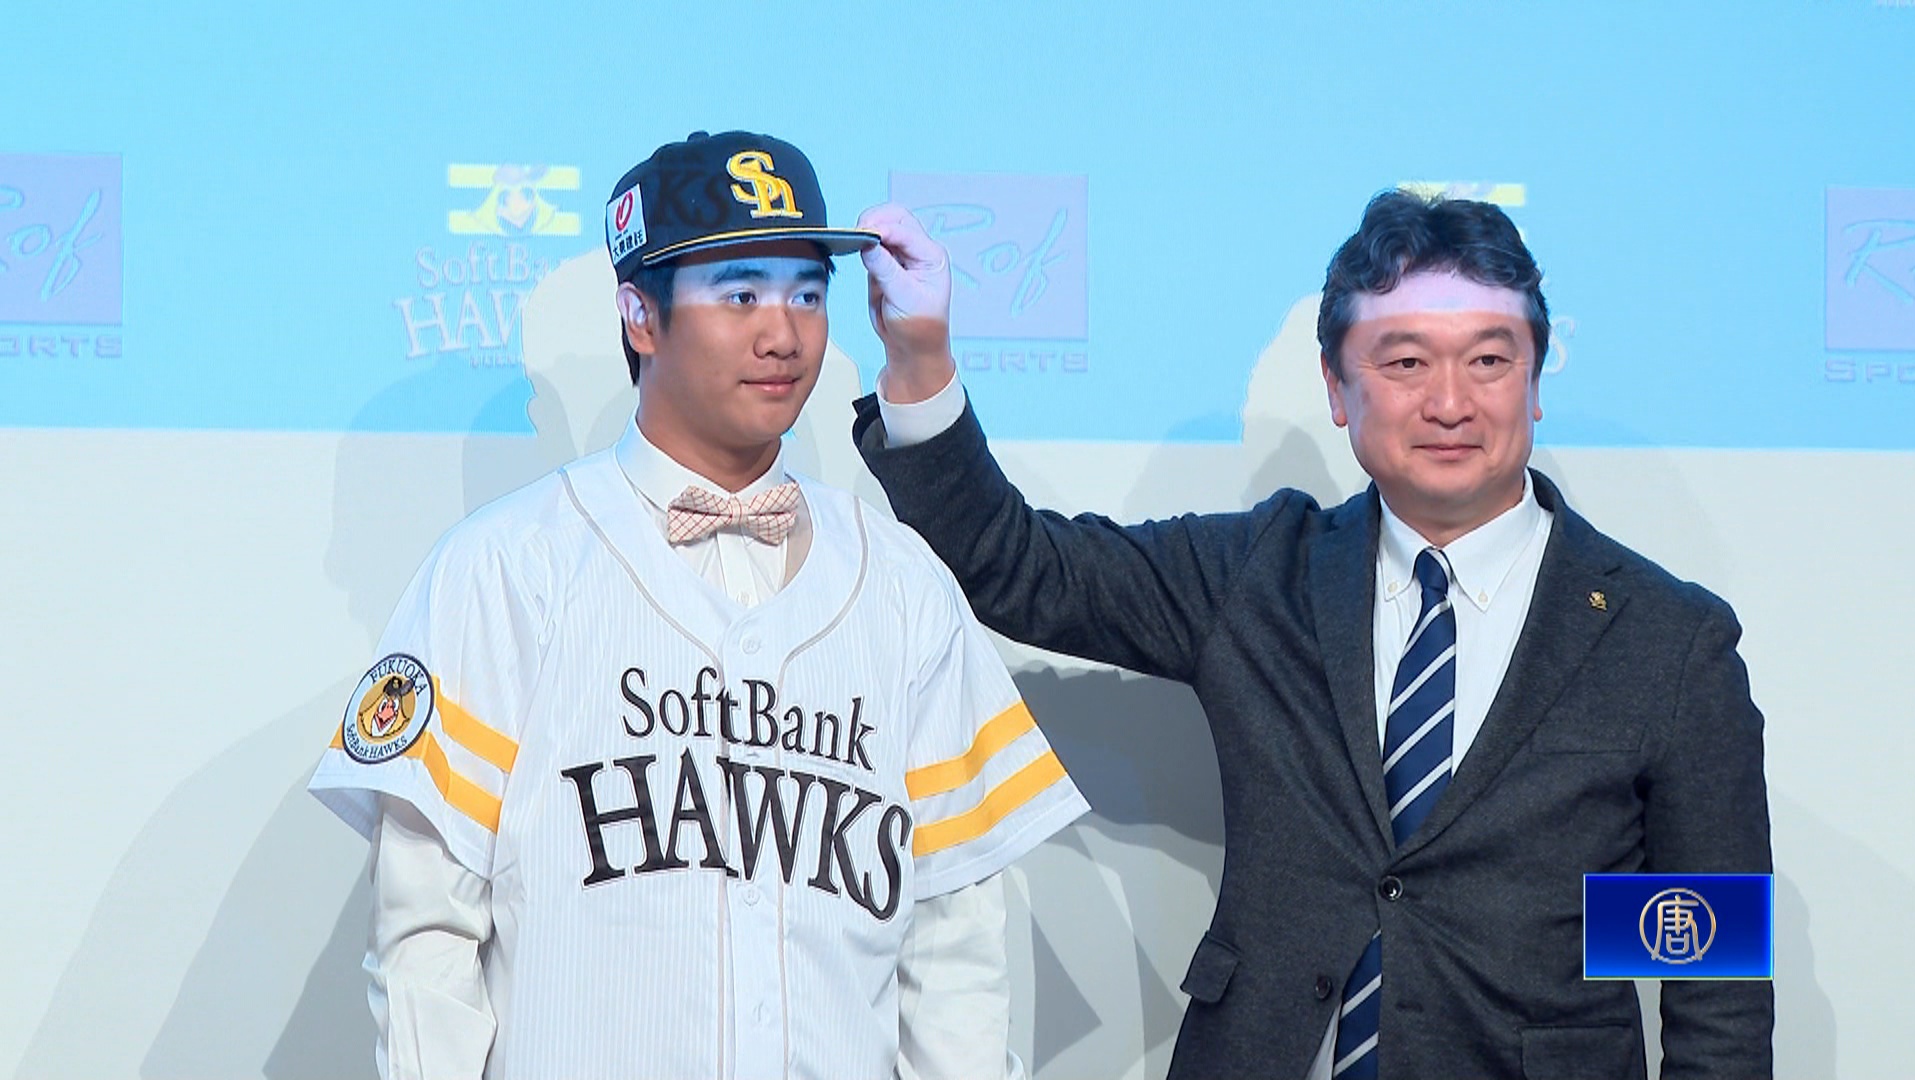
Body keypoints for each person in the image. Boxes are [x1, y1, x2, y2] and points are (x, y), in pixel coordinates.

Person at [851, 190, 1772, 1079]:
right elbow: (1014, 564)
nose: (1451, 402)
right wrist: (921, 358)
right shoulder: (1262, 574)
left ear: (1535, 381)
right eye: (1405, 363)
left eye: (1489, 360)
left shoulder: (1667, 642)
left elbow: (1714, 978)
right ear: (1337, 387)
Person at [309, 130, 1088, 1080]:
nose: (783, 333)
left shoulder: (902, 583)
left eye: (808, 295)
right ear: (641, 316)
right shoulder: (507, 566)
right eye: (741, 294)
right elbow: (426, 936)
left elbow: (954, 950)